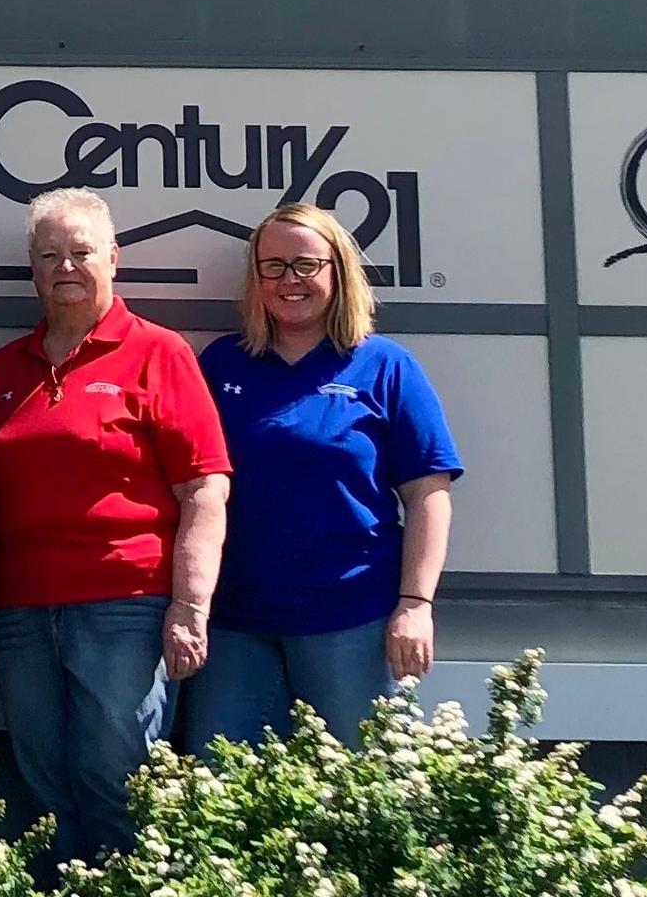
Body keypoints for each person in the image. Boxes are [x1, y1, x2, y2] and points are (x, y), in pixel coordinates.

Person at [0, 186, 231, 865]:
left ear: (114, 258)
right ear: (33, 268)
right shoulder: (2, 370)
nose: (66, 267)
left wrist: (191, 607)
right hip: (19, 614)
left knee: (119, 780)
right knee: (45, 784)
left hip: (124, 606)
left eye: (81, 252)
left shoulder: (158, 354)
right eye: (49, 255)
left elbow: (204, 490)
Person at [181, 201, 461, 750]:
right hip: (237, 620)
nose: (291, 280)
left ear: (337, 270)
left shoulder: (384, 366)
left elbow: (429, 494)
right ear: (256, 278)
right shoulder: (221, 365)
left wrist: (416, 604)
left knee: (366, 793)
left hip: (351, 618)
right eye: (275, 266)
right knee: (214, 792)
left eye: (307, 265)